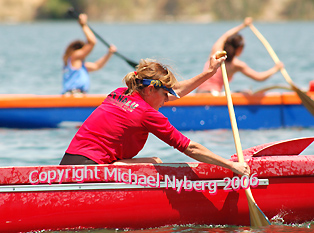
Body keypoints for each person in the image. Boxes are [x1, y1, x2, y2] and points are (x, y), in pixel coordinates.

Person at [60, 53, 250, 177]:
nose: (166, 100)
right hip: (87, 173)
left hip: (65, 166)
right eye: (164, 95)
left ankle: (114, 164)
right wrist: (230, 165)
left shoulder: (119, 92)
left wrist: (209, 73)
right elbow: (189, 148)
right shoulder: (146, 114)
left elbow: (177, 91)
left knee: (154, 161)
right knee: (155, 164)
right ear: (151, 89)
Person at [196, 17, 284, 96]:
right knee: (247, 93)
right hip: (213, 95)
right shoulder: (236, 64)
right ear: (239, 49)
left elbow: (226, 35)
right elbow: (259, 77)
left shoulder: (216, 51)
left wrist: (243, 25)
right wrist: (276, 69)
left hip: (199, 93)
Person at [62, 13, 117, 95]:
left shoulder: (80, 66)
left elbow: (96, 66)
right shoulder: (74, 57)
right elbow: (92, 42)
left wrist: (109, 54)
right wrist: (83, 25)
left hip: (79, 95)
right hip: (73, 95)